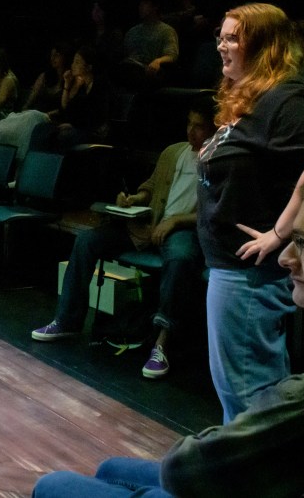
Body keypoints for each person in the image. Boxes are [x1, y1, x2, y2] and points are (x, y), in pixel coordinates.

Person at [32, 161, 304, 498]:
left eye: (302, 243)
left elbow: (186, 469)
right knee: (112, 468)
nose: (285, 258)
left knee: (53, 485)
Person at [201, 3, 304, 422]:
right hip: (231, 268)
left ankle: (260, 463)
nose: (221, 46)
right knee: (241, 393)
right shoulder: (254, 98)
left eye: (233, 38)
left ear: (264, 45)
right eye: (220, 36)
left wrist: (281, 233)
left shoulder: (287, 97)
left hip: (250, 275)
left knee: (249, 397)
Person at [30, 94, 216, 379]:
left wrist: (177, 220)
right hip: (149, 225)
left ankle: (162, 344)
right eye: (189, 124)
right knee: (87, 241)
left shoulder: (217, 159)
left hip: (183, 230)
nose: (191, 131)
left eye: (199, 126)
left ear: (214, 128)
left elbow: (215, 211)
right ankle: (66, 320)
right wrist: (133, 199)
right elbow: (150, 187)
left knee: (180, 259)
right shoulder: (173, 152)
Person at [113, 0, 180, 90]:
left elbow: (172, 55)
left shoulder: (166, 30)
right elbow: (125, 54)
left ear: (155, 6)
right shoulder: (132, 32)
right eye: (140, 4)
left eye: (145, 3)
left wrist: (158, 61)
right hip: (130, 68)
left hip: (149, 72)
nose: (140, 7)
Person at [51, 45, 112, 150]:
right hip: (80, 128)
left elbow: (97, 117)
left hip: (95, 131)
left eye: (77, 62)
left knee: (62, 136)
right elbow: (66, 108)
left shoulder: (100, 85)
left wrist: (73, 125)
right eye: (73, 61)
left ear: (89, 67)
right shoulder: (82, 86)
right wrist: (67, 84)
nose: (73, 65)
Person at [20, 41, 73, 114]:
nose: (52, 58)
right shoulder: (45, 76)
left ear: (65, 57)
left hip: (53, 117)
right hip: (36, 113)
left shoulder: (70, 79)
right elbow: (32, 98)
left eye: (56, 55)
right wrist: (24, 110)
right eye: (51, 55)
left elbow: (64, 107)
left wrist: (46, 115)